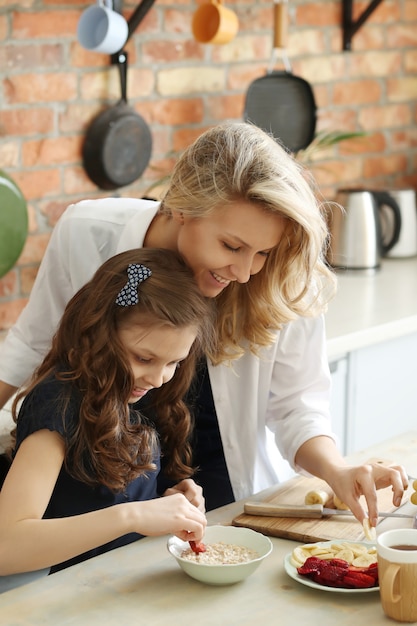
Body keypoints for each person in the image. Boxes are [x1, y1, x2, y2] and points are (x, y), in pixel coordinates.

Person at [0, 121, 408, 527]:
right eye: (232, 246)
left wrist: (336, 470)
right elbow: (31, 346)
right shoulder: (87, 233)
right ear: (181, 205)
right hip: (111, 500)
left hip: (220, 493)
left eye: (262, 252)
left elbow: (296, 405)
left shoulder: (282, 278)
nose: (246, 272)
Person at [0, 248, 213, 580]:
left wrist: (166, 504)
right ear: (100, 334)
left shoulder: (136, 393)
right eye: (144, 358)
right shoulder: (58, 403)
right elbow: (6, 546)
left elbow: (103, 501)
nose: (158, 379)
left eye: (174, 362)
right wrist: (135, 516)